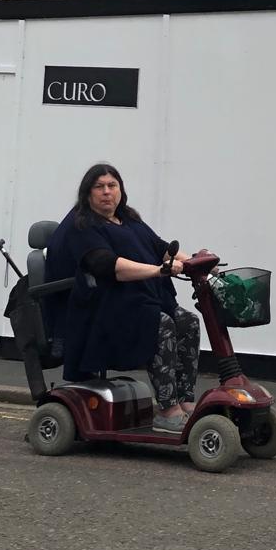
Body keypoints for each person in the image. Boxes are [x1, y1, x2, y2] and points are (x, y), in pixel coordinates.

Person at [46, 163, 200, 434]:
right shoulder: (82, 226)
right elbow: (107, 265)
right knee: (160, 323)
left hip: (140, 299)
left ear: (120, 190)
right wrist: (158, 271)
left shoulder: (129, 219)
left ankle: (186, 401)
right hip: (105, 309)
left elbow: (163, 249)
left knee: (188, 321)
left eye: (112, 185)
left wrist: (198, 263)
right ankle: (167, 410)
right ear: (88, 193)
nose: (107, 192)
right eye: (99, 187)